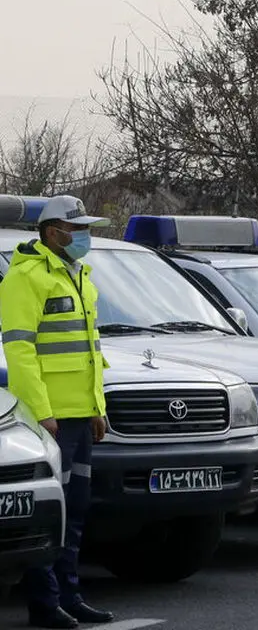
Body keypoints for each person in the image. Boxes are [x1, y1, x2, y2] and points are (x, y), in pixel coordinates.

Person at [0, 195, 115, 629]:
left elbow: (90, 353)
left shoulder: (80, 276)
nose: (84, 236)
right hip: (49, 421)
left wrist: (96, 408)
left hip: (80, 417)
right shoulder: (26, 278)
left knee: (77, 510)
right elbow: (20, 351)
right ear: (53, 232)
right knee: (51, 514)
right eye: (77, 229)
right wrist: (42, 413)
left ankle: (70, 595)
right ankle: (45, 605)